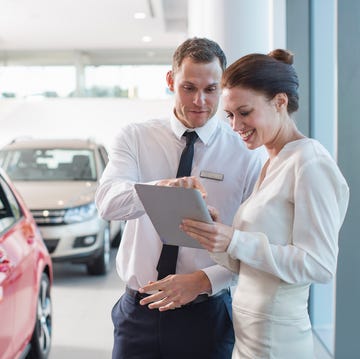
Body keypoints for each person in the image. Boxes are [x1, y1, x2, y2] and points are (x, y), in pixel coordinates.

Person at [95, 37, 263, 359]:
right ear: (171, 81)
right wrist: (163, 189)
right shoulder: (135, 137)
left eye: (211, 89)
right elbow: (107, 203)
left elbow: (252, 245)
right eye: (189, 87)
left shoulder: (245, 154)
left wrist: (202, 281)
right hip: (139, 311)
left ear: (222, 87)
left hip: (207, 314)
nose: (200, 101)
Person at [180, 49, 350, 358]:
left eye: (244, 112)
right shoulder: (272, 160)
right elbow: (253, 264)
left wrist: (236, 239)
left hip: (278, 342)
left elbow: (320, 265)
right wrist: (217, 237)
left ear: (280, 102)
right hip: (249, 336)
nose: (235, 125)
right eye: (229, 115)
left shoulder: (310, 162)